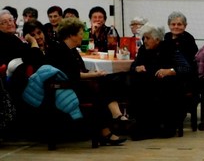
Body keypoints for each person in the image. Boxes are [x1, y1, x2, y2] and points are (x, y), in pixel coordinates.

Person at [45, 17, 127, 145]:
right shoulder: (58, 50)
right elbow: (72, 75)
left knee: (110, 80)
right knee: (102, 87)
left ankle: (112, 122)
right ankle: (113, 122)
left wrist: (94, 74)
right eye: (80, 33)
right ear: (71, 35)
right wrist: (94, 74)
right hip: (66, 88)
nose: (83, 36)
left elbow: (81, 70)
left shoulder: (73, 50)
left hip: (76, 84)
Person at [128, 23, 192, 139]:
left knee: (159, 90)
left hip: (168, 85)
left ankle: (159, 126)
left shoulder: (170, 48)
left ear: (157, 39)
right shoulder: (143, 49)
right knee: (135, 85)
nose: (145, 41)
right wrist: (136, 68)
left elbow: (186, 68)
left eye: (148, 38)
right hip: (148, 84)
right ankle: (145, 125)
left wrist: (170, 71)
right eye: (144, 38)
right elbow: (133, 65)